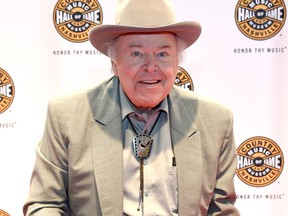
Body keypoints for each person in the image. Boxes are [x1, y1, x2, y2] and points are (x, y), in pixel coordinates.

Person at [23, 0, 240, 215]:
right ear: (114, 62)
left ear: (177, 62)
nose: (151, 67)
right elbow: (45, 204)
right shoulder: (66, 116)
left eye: (163, 54)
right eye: (136, 53)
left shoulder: (216, 121)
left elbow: (221, 211)